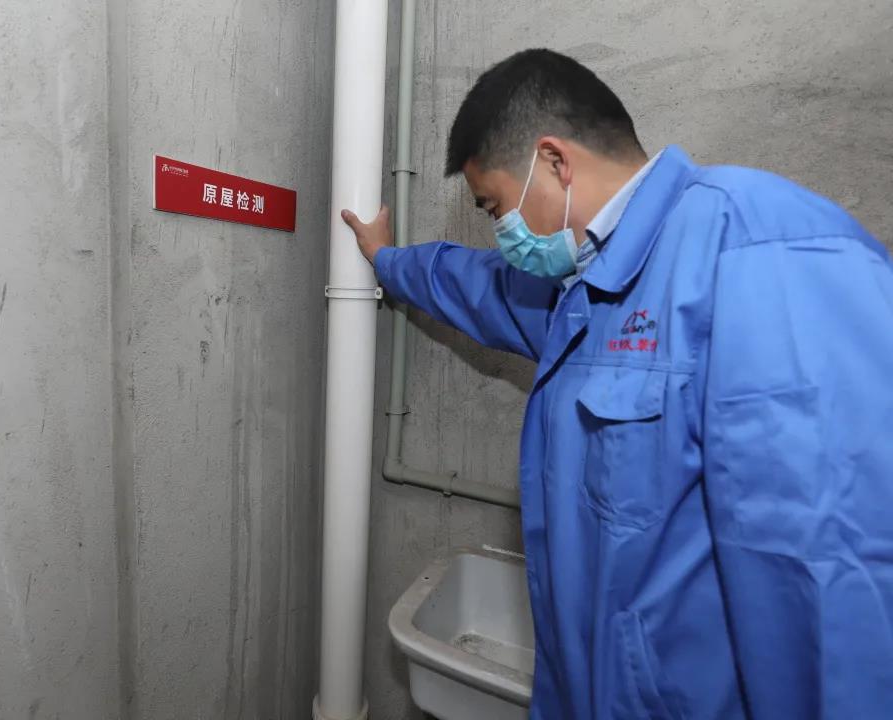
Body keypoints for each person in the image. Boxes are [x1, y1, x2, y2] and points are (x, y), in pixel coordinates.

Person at [342, 48, 893, 719]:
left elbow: (835, 593)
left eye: (494, 207)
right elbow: (476, 284)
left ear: (553, 161)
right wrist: (386, 259)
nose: (501, 232)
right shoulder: (579, 284)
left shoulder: (765, 254)